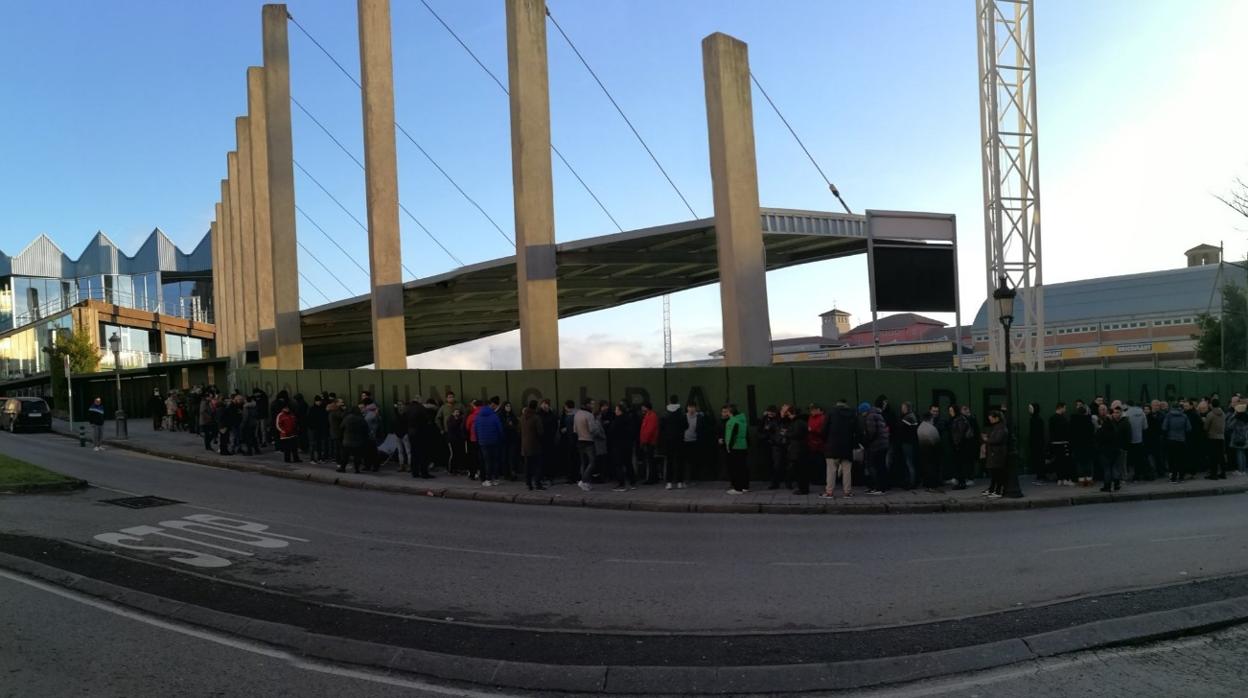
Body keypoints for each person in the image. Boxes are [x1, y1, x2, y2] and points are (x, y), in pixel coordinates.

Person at [824, 398, 859, 498]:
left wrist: (827, 441)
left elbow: (824, 429)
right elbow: (858, 430)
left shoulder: (831, 412)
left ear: (837, 404)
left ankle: (829, 492)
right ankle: (847, 492)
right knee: (847, 470)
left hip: (832, 446)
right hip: (847, 446)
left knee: (831, 470)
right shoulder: (852, 413)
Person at [861, 401, 890, 495]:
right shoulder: (877, 414)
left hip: (876, 445)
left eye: (862, 412)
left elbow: (871, 432)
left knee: (875, 466)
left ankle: (878, 487)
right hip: (883, 444)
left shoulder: (870, 417)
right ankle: (882, 487)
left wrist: (865, 442)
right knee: (881, 466)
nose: (862, 415)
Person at [609, 402, 638, 492]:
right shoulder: (629, 419)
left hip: (618, 445)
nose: (615, 411)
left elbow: (611, 431)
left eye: (616, 410)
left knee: (619, 465)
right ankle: (632, 483)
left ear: (620, 411)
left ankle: (621, 484)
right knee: (628, 464)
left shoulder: (617, 420)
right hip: (628, 445)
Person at [659, 396, 687, 489]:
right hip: (679, 439)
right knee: (679, 461)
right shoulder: (681, 413)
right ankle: (680, 482)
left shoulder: (665, 414)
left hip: (668, 440)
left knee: (669, 461)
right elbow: (686, 425)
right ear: (677, 401)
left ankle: (669, 482)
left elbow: (661, 427)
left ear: (669, 401)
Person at [721, 404, 749, 494]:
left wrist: (728, 447)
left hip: (735, 447)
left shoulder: (732, 421)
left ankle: (738, 488)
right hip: (743, 446)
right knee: (743, 467)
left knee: (735, 469)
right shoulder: (742, 420)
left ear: (729, 412)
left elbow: (730, 436)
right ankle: (745, 487)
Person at [475, 401, 504, 486]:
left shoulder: (478, 417)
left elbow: (476, 430)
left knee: (487, 461)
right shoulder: (494, 416)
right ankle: (496, 479)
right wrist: (500, 438)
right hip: (494, 441)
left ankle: (488, 480)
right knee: (495, 460)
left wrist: (479, 439)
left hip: (483, 442)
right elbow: (500, 429)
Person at [1094, 404, 1121, 492]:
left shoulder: (1101, 430)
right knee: (1115, 468)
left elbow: (1098, 438)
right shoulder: (1115, 428)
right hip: (1115, 450)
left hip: (1105, 451)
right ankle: (1117, 484)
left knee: (1107, 469)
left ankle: (1107, 486)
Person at [950, 405, 977, 490]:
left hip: (961, 446)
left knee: (960, 465)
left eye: (951, 410)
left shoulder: (959, 419)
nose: (950, 412)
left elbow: (960, 433)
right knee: (960, 465)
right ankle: (961, 482)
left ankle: (961, 483)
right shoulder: (960, 419)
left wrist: (956, 444)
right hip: (962, 445)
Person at [917, 405, 943, 492]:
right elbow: (936, 442)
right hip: (932, 452)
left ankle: (927, 484)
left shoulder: (920, 427)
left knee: (926, 468)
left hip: (922, 451)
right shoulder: (932, 429)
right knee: (932, 469)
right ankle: (933, 485)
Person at [520, 400, 545, 490]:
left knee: (528, 465)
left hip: (525, 445)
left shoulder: (523, 416)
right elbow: (540, 432)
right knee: (538, 465)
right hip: (535, 444)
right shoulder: (536, 417)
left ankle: (528, 483)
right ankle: (537, 483)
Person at [761, 405, 787, 490]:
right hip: (769, 444)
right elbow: (761, 429)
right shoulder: (766, 419)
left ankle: (776, 482)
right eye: (769, 412)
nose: (770, 414)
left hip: (776, 444)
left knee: (777, 464)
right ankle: (775, 481)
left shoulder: (778, 420)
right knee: (772, 464)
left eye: (772, 412)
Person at [983, 410, 1008, 498]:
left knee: (997, 473)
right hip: (995, 452)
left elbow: (997, 439)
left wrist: (987, 439)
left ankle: (998, 491)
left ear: (996, 418)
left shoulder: (1000, 427)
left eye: (991, 418)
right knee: (995, 473)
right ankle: (993, 489)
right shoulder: (998, 426)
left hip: (997, 453)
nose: (990, 420)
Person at [895, 402, 919, 490]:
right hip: (910, 442)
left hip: (907, 443)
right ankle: (910, 481)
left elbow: (900, 427)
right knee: (909, 462)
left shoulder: (908, 417)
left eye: (903, 408)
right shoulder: (912, 416)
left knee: (909, 463)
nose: (902, 409)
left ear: (907, 408)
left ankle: (911, 483)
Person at [1048, 402, 1073, 486]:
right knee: (1065, 462)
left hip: (1055, 443)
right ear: (1061, 408)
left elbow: (1051, 431)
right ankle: (1065, 478)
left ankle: (1060, 479)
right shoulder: (1063, 419)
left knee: (1058, 462)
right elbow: (1067, 430)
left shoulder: (1052, 418)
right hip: (1064, 442)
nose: (1065, 410)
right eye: (1064, 408)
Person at [339, 406, 368, 474]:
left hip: (347, 440)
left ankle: (342, 468)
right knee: (357, 456)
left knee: (345, 455)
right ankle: (357, 469)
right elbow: (366, 429)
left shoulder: (347, 418)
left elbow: (341, 427)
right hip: (358, 441)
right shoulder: (361, 419)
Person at [638, 402, 661, 485]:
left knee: (650, 461)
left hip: (650, 442)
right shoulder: (649, 415)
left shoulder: (651, 416)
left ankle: (651, 478)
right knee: (651, 461)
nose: (642, 410)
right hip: (649, 441)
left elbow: (649, 430)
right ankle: (654, 478)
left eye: (643, 408)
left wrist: (644, 441)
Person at [1204, 398, 1227, 480]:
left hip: (1212, 437)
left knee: (1213, 457)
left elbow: (1206, 427)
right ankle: (1223, 473)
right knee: (1221, 456)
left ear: (1211, 405)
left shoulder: (1210, 414)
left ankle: (1213, 474)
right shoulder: (1223, 414)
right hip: (1221, 437)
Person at [1027, 403, 1047, 484]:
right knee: (1039, 458)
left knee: (1038, 458)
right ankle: (1040, 474)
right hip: (1038, 442)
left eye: (1030, 408)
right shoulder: (1037, 419)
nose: (1029, 410)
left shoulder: (1036, 420)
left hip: (1037, 443)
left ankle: (1041, 474)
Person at [1227, 401, 1248, 476]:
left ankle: (1240, 470)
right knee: (1243, 454)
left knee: (1239, 454)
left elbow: (1229, 426)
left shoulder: (1237, 418)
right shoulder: (1246, 418)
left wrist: (1233, 416)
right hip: (1245, 438)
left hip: (1237, 438)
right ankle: (1244, 470)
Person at [446, 407, 467, 475]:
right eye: (456, 412)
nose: (457, 413)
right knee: (453, 454)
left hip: (458, 439)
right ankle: (451, 469)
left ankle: (458, 468)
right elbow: (452, 426)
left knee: (459, 454)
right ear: (453, 413)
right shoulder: (450, 419)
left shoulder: (460, 419)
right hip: (452, 439)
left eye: (458, 412)